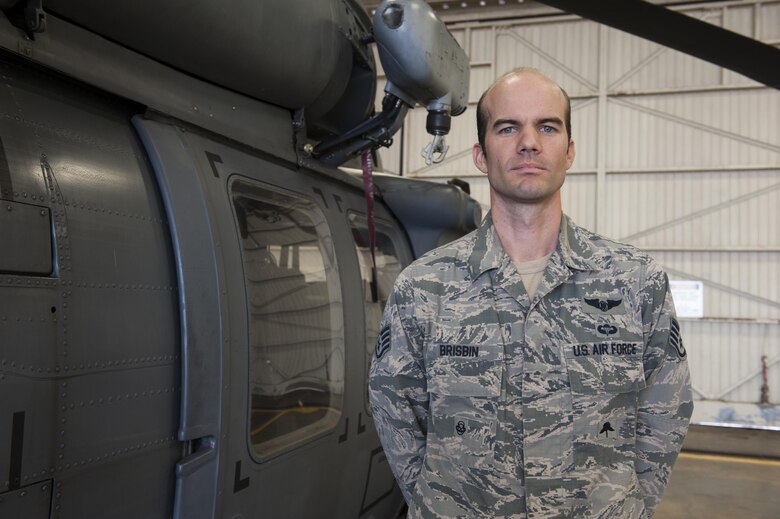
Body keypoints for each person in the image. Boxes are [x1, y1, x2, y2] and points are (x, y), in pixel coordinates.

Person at [368, 68, 693, 518]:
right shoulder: (426, 286)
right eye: (508, 127)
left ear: (569, 151)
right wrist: (437, 505)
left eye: (547, 126)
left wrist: (627, 505)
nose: (529, 142)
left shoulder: (634, 281)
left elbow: (667, 405)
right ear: (481, 155)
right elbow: (394, 405)